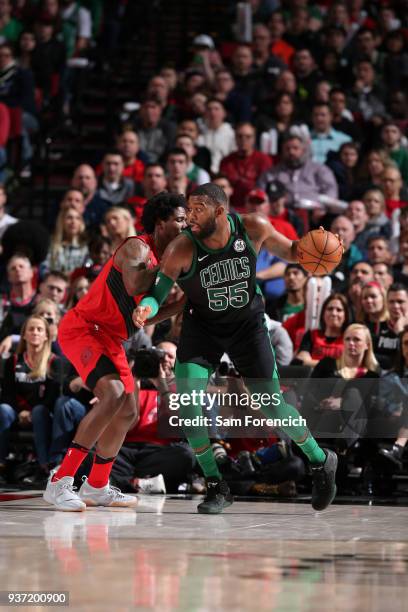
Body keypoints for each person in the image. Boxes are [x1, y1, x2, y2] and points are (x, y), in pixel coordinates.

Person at [134, 183, 338, 514]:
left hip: (248, 328)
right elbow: (158, 293)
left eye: (198, 208)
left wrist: (316, 246)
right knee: (188, 407)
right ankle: (217, 486)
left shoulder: (252, 226)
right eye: (189, 208)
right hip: (203, 330)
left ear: (220, 211)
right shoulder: (181, 249)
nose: (190, 215)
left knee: (271, 406)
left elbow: (292, 252)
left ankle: (320, 460)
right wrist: (146, 308)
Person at [43, 192, 188, 511]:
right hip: (84, 328)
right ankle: (61, 481)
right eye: (180, 219)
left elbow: (145, 313)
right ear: (161, 223)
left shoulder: (161, 261)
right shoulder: (137, 247)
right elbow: (136, 286)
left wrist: (180, 304)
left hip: (111, 337)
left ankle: (96, 485)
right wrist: (172, 268)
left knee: (128, 410)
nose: (186, 224)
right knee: (112, 393)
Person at [0, 315, 62, 486]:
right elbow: (7, 393)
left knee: (39, 411)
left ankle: (44, 468)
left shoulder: (53, 362)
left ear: (46, 336)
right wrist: (21, 412)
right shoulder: (12, 361)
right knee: (3, 409)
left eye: (39, 329)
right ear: (24, 335)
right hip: (17, 413)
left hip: (43, 413)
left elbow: (52, 397)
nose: (35, 332)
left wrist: (31, 413)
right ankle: (1, 465)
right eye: (31, 329)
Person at [295, 293, 349, 368]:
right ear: (323, 313)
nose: (334, 313)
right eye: (330, 309)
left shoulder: (349, 338)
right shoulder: (311, 335)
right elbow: (301, 361)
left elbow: (349, 366)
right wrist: (333, 366)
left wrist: (311, 363)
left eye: (339, 310)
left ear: (346, 315)